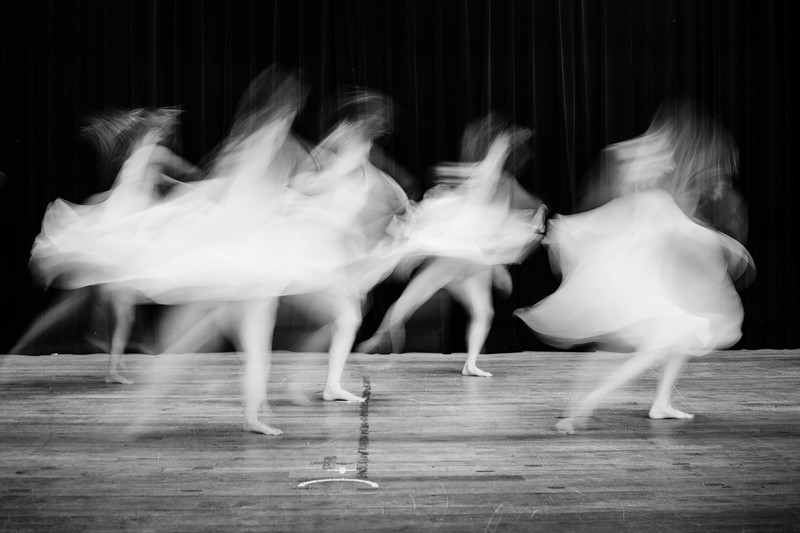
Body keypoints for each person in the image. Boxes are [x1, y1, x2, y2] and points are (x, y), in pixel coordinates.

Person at [515, 101, 754, 433]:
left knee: (680, 337)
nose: (666, 165)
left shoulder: (646, 204)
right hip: (632, 297)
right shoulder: (650, 204)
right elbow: (686, 232)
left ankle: (659, 403)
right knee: (642, 351)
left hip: (642, 293)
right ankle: (579, 410)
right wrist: (731, 248)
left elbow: (680, 232)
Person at [358, 114, 546, 377]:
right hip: (455, 257)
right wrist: (501, 143)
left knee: (484, 312)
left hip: (470, 263)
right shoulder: (481, 184)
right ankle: (380, 335)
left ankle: (470, 364)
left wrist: (498, 269)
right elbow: (489, 169)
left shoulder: (499, 191)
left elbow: (498, 236)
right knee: (412, 300)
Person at [19, 108, 198, 384]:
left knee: (123, 311)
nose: (168, 131)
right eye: (165, 127)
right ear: (157, 131)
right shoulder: (154, 154)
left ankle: (112, 365)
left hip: (124, 235)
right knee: (121, 307)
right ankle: (110, 353)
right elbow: (179, 172)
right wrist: (201, 185)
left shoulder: (138, 156)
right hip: (124, 234)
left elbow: (160, 180)